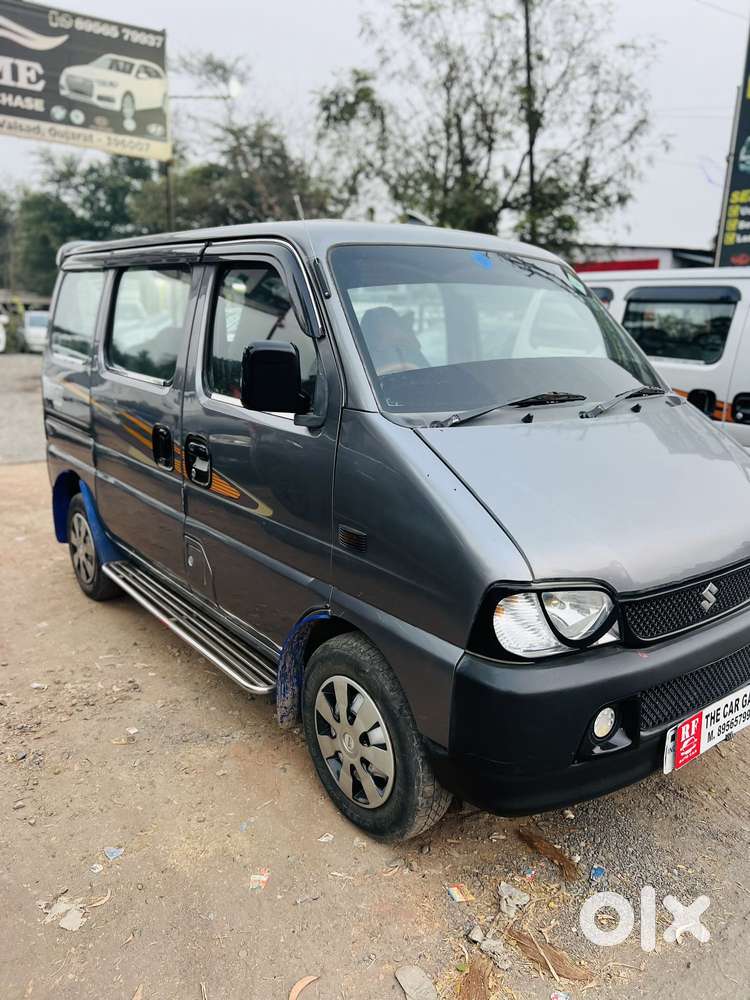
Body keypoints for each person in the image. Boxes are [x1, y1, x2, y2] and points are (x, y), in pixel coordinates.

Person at [359, 306, 429, 375]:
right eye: (388, 323)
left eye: (395, 323)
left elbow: (430, 375)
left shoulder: (411, 351)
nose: (399, 329)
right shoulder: (363, 362)